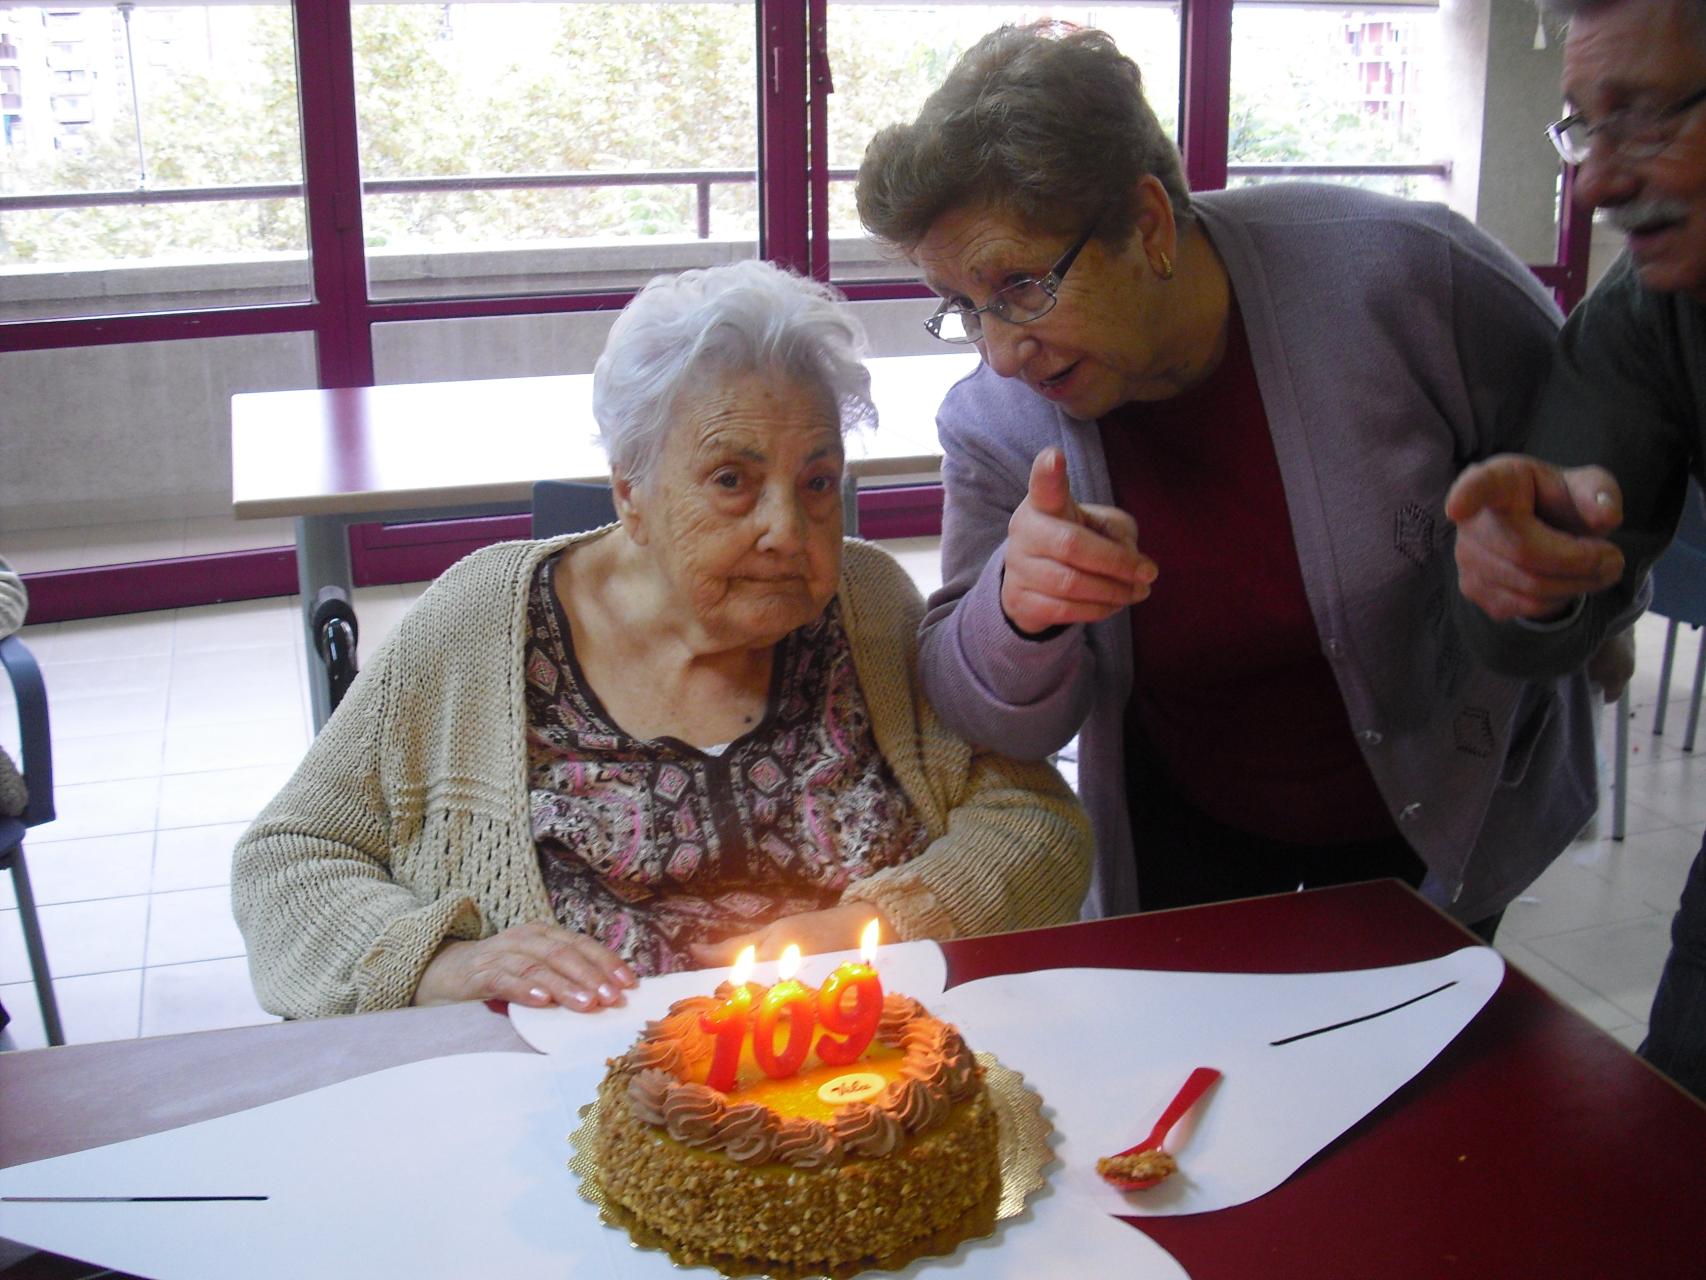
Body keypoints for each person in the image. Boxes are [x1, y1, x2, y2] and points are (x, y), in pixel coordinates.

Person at [854, 21, 1602, 934]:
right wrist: (1017, 608)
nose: (1002, 353)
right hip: (1189, 827)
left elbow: (1598, 457)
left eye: (1020, 288)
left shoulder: (1403, 276)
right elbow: (981, 713)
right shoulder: (997, 424)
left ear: (1151, 226)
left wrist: (1572, 589)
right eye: (966, 311)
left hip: (1435, 808)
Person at [232, 260, 1091, 1021]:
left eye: (818, 481)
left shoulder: (868, 605)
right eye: (732, 480)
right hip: (560, 1119)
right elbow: (289, 859)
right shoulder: (479, 623)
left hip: (848, 1102)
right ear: (630, 491)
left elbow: (1037, 822)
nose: (787, 530)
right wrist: (435, 963)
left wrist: (879, 926)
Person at [1446, 0, 1706, 1099]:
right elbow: (1509, 628)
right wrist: (1524, 574)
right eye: (1581, 129)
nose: (1594, 183)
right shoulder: (1647, 318)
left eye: (1645, 120)